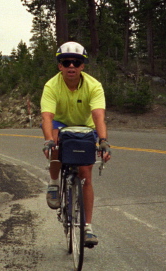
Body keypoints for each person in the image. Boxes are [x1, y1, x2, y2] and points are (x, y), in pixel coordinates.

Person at [40, 41, 112, 247]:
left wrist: (103, 141)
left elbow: (99, 116)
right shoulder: (51, 86)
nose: (71, 66)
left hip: (85, 126)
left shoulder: (94, 85)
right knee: (53, 142)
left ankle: (87, 227)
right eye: (66, 62)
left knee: (86, 175)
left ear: (82, 66)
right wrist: (48, 141)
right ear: (59, 65)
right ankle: (54, 183)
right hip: (60, 124)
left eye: (76, 62)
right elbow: (47, 116)